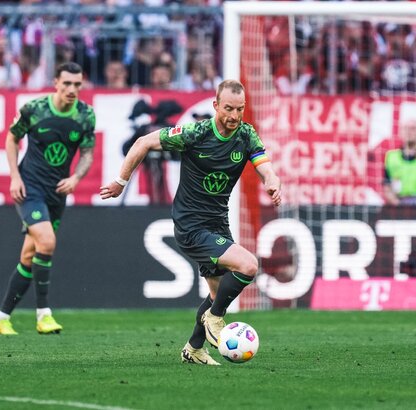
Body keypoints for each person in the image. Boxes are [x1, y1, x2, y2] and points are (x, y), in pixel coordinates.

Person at [100, 80, 282, 366]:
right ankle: (215, 318)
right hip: (191, 226)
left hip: (218, 224)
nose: (234, 116)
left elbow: (265, 166)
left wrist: (272, 182)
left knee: (216, 293)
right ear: (215, 106)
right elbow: (143, 142)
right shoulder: (195, 133)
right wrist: (121, 182)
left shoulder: (246, 135)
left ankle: (194, 348)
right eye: (228, 109)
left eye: (240, 109)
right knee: (248, 266)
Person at [0, 62, 96, 336]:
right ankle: (43, 315)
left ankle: (1, 319)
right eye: (67, 83)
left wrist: (75, 179)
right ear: (56, 83)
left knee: (29, 255)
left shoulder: (85, 115)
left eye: (77, 84)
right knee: (47, 242)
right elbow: (12, 139)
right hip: (30, 189)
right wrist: (14, 176)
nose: (73, 89)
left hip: (56, 193)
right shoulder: (34, 109)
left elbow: (87, 153)